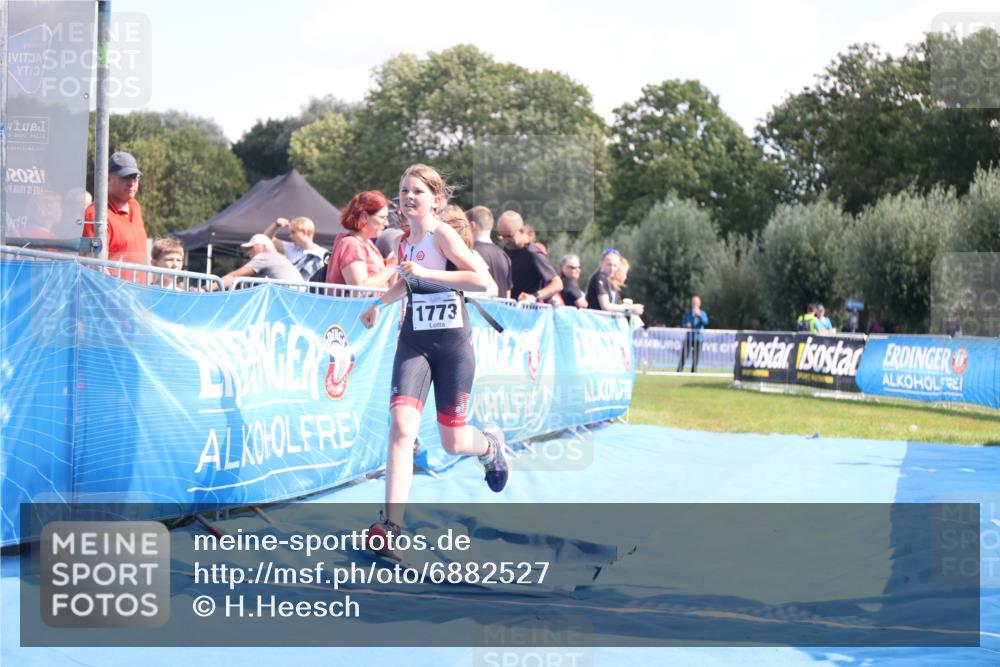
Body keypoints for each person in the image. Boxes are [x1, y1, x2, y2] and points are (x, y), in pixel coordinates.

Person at [359, 164, 507, 548]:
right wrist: (380, 301)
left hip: (452, 347)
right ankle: (391, 527)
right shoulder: (403, 241)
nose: (408, 197)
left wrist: (428, 272)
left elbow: (484, 282)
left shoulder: (442, 235)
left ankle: (490, 447)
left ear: (436, 201)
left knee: (453, 442)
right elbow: (407, 281)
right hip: (415, 343)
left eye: (417, 191)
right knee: (401, 427)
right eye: (404, 190)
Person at [82, 151, 149, 281]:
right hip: (111, 296)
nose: (131, 182)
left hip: (138, 294)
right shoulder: (95, 213)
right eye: (125, 177)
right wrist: (117, 293)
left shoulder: (135, 205)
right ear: (108, 179)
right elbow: (93, 262)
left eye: (135, 177)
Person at [326, 191, 397, 289]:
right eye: (382, 218)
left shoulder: (367, 244)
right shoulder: (351, 244)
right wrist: (390, 267)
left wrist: (391, 263)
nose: (387, 223)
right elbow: (360, 290)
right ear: (364, 216)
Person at [497, 211, 562, 302]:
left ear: (521, 231)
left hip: (528, 312)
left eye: (509, 236)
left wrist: (534, 296)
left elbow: (557, 284)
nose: (505, 241)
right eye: (502, 237)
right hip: (508, 310)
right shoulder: (506, 250)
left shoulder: (533, 254)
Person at [215, 233, 304, 290]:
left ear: (264, 247)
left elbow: (234, 276)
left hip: (289, 299)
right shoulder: (278, 257)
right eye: (247, 249)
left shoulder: (265, 256)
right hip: (295, 298)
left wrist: (206, 289)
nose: (248, 252)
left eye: (252, 247)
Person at [467, 206, 512, 299]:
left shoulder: (470, 253)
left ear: (472, 225)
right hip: (501, 312)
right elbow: (508, 295)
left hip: (478, 312)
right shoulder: (504, 255)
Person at [264, 216, 329, 281]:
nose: (290, 236)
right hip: (291, 290)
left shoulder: (323, 254)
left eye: (293, 232)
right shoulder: (291, 248)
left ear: (304, 232)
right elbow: (266, 239)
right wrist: (276, 225)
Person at [586, 249, 645, 315]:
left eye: (615, 266)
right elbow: (605, 306)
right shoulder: (600, 277)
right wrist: (629, 309)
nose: (612, 269)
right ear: (602, 263)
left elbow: (616, 305)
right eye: (609, 265)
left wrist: (627, 306)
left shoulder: (608, 281)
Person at [677, 295, 709, 372]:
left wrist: (700, 316)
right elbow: (683, 323)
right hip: (689, 337)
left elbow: (706, 322)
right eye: (694, 303)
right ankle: (679, 370)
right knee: (684, 354)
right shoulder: (688, 313)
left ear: (699, 304)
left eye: (697, 303)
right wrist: (686, 325)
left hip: (699, 338)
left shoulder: (703, 313)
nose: (695, 304)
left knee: (696, 356)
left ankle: (694, 371)